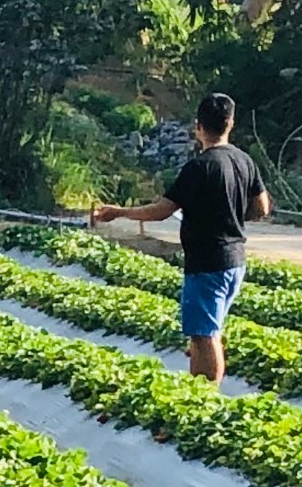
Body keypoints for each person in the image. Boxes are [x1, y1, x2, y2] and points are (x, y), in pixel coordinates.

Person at [91, 91, 272, 385]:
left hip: (207, 263)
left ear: (198, 126)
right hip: (235, 261)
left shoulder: (199, 167)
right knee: (207, 331)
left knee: (203, 336)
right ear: (230, 123)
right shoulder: (243, 161)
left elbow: (162, 211)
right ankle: (202, 390)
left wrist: (119, 212)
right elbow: (262, 207)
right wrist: (233, 216)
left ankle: (204, 399)